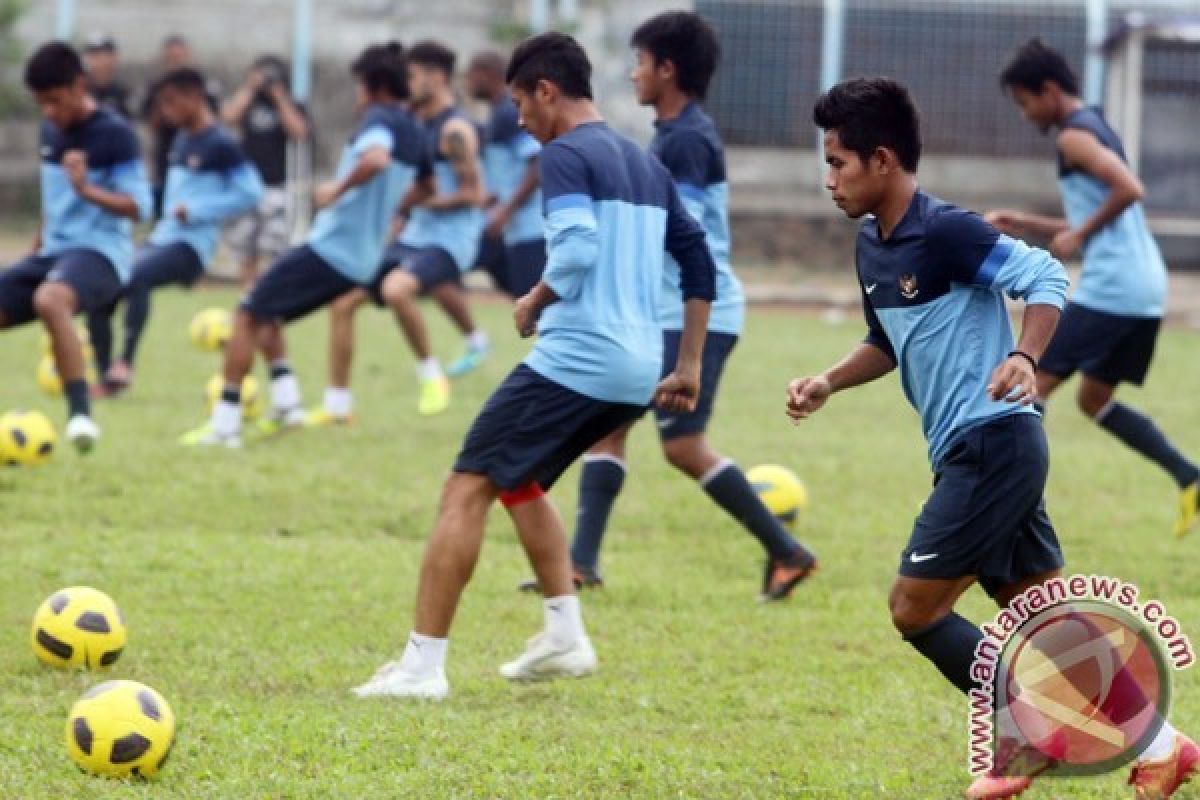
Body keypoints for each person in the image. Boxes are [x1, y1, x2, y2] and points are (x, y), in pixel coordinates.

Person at [791, 75, 1197, 800]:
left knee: (914, 609)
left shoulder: (945, 229)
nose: (828, 179)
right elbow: (886, 340)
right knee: (1050, 620)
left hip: (993, 444)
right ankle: (1164, 748)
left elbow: (1045, 275)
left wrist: (1024, 355)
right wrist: (828, 380)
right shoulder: (872, 248)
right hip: (978, 451)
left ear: (882, 159)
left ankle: (1037, 732)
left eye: (837, 162)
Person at [351, 32, 716, 700]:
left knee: (465, 488)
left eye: (521, 103)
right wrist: (686, 363)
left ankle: (421, 667)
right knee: (519, 480)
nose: (519, 119)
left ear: (546, 90)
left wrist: (534, 298)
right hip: (638, 371)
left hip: (580, 359)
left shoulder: (567, 154)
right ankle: (564, 634)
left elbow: (575, 250)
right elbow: (699, 264)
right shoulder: (644, 164)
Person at [516, 11, 815, 601]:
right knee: (613, 430)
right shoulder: (677, 134)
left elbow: (685, 237)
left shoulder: (686, 141)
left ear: (667, 69)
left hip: (692, 312)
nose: (633, 75)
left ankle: (787, 551)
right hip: (668, 310)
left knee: (675, 444)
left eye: (641, 63)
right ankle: (581, 563)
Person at [988, 39, 1199, 539]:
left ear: (1050, 89)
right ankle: (1190, 475)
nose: (1026, 114)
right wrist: (1022, 221)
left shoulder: (1072, 139)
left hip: (1114, 287)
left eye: (1025, 102)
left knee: (1028, 387)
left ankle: (1012, 514)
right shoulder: (1095, 126)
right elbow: (1095, 214)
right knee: (1094, 398)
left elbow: (1130, 189)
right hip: (1143, 287)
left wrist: (1079, 235)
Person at [180, 42, 429, 448]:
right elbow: (427, 185)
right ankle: (288, 405)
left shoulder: (377, 118)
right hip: (363, 258)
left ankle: (224, 427)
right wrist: (386, 211)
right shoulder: (416, 131)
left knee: (246, 316)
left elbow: (376, 159)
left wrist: (336, 190)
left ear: (374, 87)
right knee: (268, 316)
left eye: (359, 87)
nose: (357, 97)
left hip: (332, 249)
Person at [307, 40, 487, 425]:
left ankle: (432, 374)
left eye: (412, 76)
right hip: (414, 237)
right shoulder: (411, 123)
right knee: (341, 302)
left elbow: (474, 195)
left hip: (450, 242)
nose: (406, 84)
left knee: (396, 289)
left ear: (436, 78)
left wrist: (411, 204)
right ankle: (337, 405)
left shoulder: (455, 130)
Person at [0, 42, 151, 450]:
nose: (49, 112)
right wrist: (34, 250)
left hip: (102, 254)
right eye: (40, 103)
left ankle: (81, 417)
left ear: (79, 85)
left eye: (55, 100)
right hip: (54, 251)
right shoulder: (50, 129)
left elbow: (140, 207)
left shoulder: (116, 135)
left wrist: (88, 190)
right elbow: (53, 203)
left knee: (50, 301)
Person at [87, 67, 263, 393]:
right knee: (102, 284)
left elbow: (251, 192)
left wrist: (197, 211)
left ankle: (125, 363)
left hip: (191, 246)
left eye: (171, 102)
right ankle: (105, 377)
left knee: (137, 277)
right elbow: (170, 197)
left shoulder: (221, 143)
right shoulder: (182, 139)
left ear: (194, 98)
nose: (165, 111)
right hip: (162, 238)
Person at [222, 55, 310, 289]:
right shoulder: (249, 101)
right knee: (246, 249)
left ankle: (270, 296)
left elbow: (299, 132)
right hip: (246, 188)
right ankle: (247, 298)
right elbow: (228, 118)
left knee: (274, 249)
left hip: (276, 186)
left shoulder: (289, 102)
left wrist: (280, 98)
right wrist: (250, 89)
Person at [466, 50, 546, 299]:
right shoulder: (496, 115)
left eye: (471, 76)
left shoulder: (510, 114)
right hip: (512, 230)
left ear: (489, 75)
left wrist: (507, 208)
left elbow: (538, 163)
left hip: (531, 230)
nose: (467, 83)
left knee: (538, 312)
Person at [142, 35, 221, 218]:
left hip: (198, 154)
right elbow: (149, 122)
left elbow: (214, 117)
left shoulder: (201, 86)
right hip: (166, 153)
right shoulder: (157, 86)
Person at [82, 34, 131, 118]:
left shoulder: (124, 94)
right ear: (87, 59)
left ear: (115, 58)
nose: (102, 62)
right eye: (96, 56)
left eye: (107, 55)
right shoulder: (80, 93)